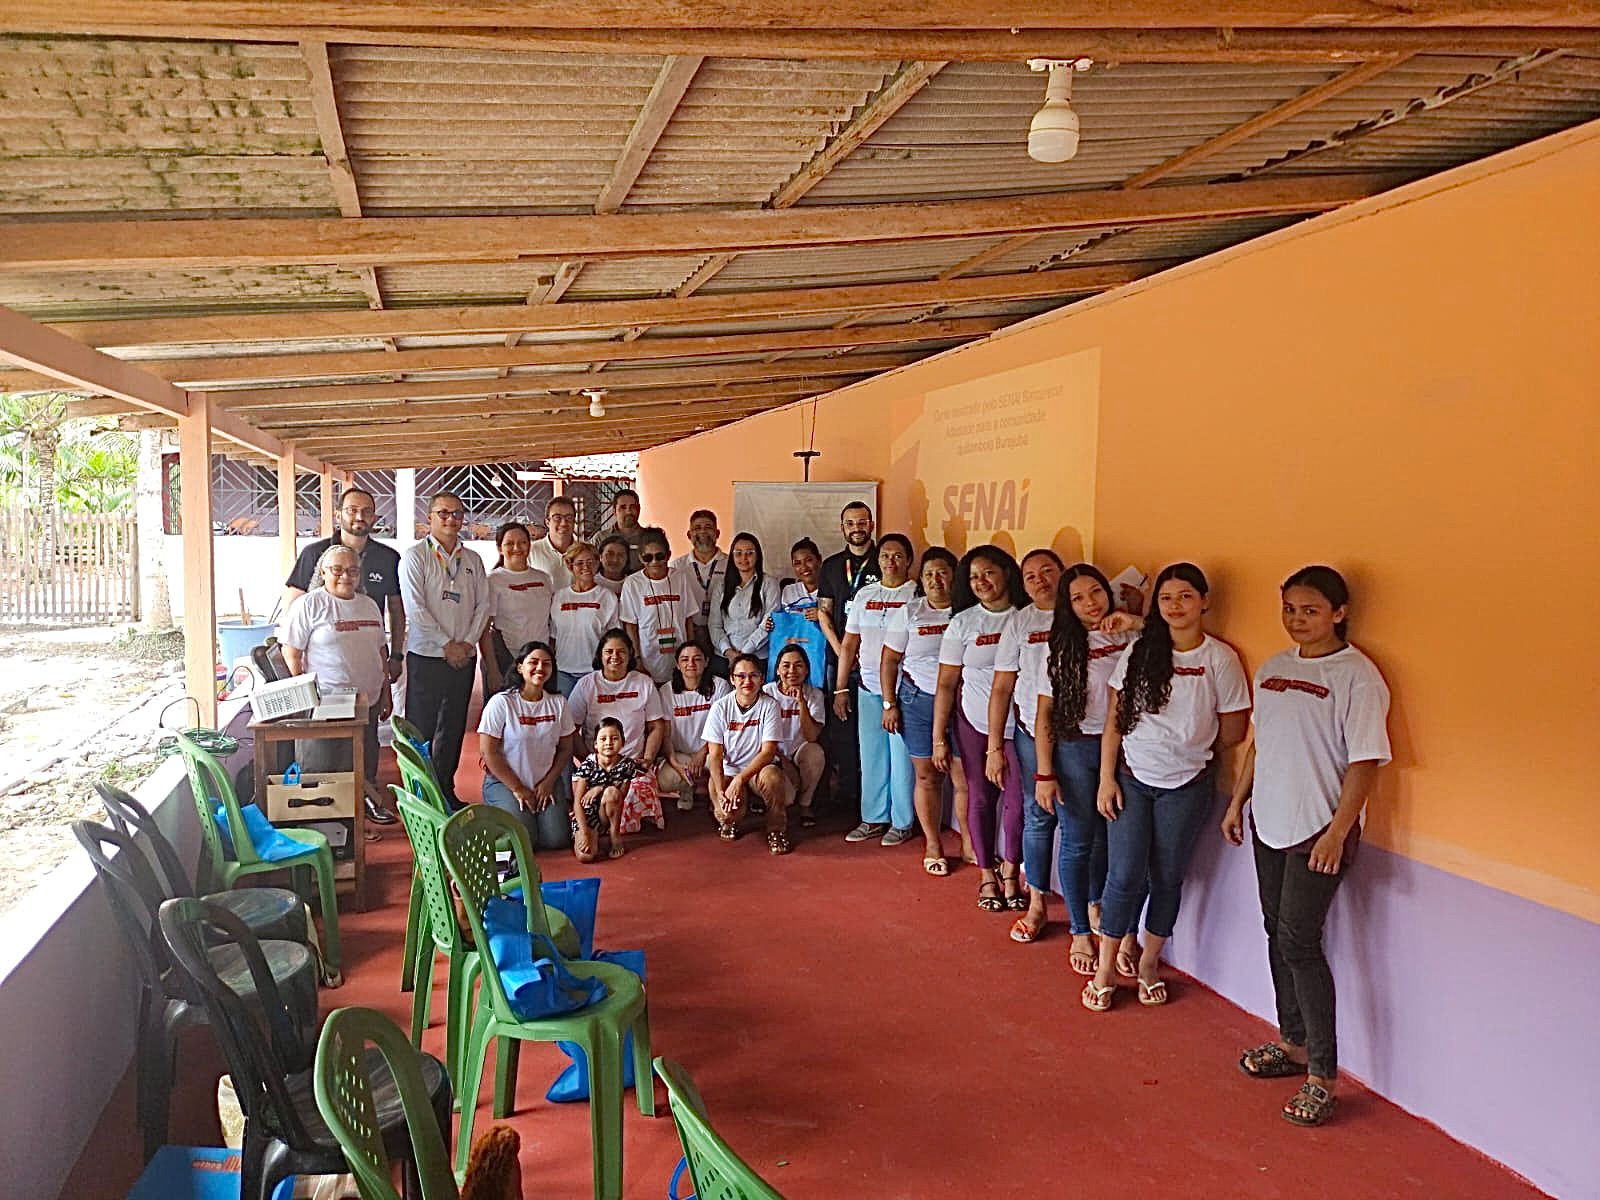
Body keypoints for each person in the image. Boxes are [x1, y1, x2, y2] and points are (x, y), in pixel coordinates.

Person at [1222, 566, 1390, 1128]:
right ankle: (1291, 1042)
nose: (1298, 619)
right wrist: (1236, 802)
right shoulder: (1273, 670)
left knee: (1299, 940)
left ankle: (1322, 1074)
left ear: (1338, 613)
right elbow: (1258, 746)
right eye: (1290, 609)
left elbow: (1365, 762)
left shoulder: (1357, 677)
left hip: (1320, 831)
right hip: (1268, 822)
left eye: (1311, 610)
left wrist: (1337, 834)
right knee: (1277, 931)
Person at [1083, 562, 1251, 1013]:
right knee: (1124, 875)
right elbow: (1115, 719)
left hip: (1188, 784)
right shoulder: (1140, 650)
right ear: (1156, 606)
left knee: (1167, 877)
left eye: (1185, 597)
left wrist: (1187, 745)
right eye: (1166, 598)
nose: (1175, 606)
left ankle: (1149, 964)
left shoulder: (1220, 659)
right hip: (1132, 779)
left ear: (1204, 602)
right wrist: (1106, 779)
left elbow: (1233, 730)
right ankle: (1104, 971)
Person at [1036, 564, 1145, 978]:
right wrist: (1045, 772)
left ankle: (1104, 908)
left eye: (1095, 592)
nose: (1090, 603)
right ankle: (1080, 929)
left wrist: (1135, 620)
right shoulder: (1062, 645)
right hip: (1078, 749)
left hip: (1128, 748)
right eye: (1078, 598)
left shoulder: (1128, 632)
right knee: (1079, 841)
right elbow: (1045, 711)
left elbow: (1177, 634)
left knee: (1111, 839)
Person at [282, 485, 405, 824]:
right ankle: (320, 831)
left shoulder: (368, 603)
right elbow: (291, 650)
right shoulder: (311, 599)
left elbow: (380, 644)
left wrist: (385, 687)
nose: (345, 575)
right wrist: (303, 694)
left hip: (363, 700)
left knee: (363, 762)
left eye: (352, 571)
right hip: (323, 703)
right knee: (322, 767)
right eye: (337, 570)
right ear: (322, 572)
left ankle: (358, 822)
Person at [933, 545, 1027, 913]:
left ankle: (1011, 874)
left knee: (1018, 803)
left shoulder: (1026, 618)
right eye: (973, 577)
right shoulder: (963, 623)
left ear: (1006, 572)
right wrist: (940, 738)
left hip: (1020, 727)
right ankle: (987, 873)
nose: (981, 582)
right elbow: (945, 684)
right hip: (973, 723)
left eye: (988, 573)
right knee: (981, 797)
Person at [985, 549, 1064, 942]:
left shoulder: (1085, 612)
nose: (1040, 581)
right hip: (1032, 736)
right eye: (1031, 576)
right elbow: (1002, 687)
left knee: (1082, 825)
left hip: (1082, 738)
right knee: (1038, 817)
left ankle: (1090, 908)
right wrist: (995, 747)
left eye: (1048, 572)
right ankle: (1037, 904)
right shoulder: (1020, 622)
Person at [399, 491, 490, 808]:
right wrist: (446, 644)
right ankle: (420, 795)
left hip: (464, 656)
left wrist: (465, 644)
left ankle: (445, 790)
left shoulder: (473, 559)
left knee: (453, 728)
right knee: (421, 728)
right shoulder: (415, 557)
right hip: (427, 655)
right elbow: (415, 608)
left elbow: (483, 607)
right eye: (443, 513)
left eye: (457, 513)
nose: (451, 519)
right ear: (429, 518)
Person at [882, 546, 967, 876]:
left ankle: (970, 844)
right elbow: (889, 660)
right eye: (930, 573)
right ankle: (933, 844)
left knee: (963, 777)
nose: (936, 580)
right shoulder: (910, 611)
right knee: (926, 776)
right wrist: (890, 704)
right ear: (921, 578)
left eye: (943, 572)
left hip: (962, 705)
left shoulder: (966, 611)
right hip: (917, 702)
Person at [836, 534, 916, 845]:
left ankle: (902, 821)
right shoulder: (864, 595)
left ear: (908, 560)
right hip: (868, 686)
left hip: (904, 691)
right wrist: (841, 689)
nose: (891, 561)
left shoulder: (916, 595)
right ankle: (873, 818)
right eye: (885, 556)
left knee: (902, 758)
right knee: (871, 756)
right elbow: (848, 644)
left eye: (898, 556)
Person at [477, 640, 575, 851]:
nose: (540, 668)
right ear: (520, 667)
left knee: (556, 840)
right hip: (505, 783)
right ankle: (500, 810)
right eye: (534, 662)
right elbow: (488, 751)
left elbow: (567, 747)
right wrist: (518, 788)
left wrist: (549, 781)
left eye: (547, 664)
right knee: (524, 841)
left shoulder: (558, 703)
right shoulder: (501, 702)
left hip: (544, 783)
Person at [817, 501, 880, 816]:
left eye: (862, 522)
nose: (857, 528)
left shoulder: (883, 562)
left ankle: (873, 798)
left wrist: (858, 654)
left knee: (874, 732)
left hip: (874, 661)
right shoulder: (830, 566)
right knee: (842, 728)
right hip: (838, 657)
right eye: (850, 523)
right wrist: (843, 651)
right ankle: (848, 797)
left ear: (871, 524)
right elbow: (823, 612)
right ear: (842, 528)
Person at [704, 654, 793, 854]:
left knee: (772, 777)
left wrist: (740, 780)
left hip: (757, 770)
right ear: (732, 679)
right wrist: (720, 791)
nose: (747, 681)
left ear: (762, 679)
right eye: (741, 676)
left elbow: (768, 752)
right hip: (728, 770)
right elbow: (715, 755)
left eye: (753, 675)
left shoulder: (769, 705)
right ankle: (727, 819)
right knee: (727, 813)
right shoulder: (720, 708)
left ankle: (776, 829)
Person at [620, 527, 703, 686]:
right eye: (648, 557)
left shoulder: (680, 578)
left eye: (660, 556)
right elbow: (630, 625)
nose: (654, 562)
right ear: (640, 558)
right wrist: (636, 659)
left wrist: (691, 651)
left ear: (668, 555)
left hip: (680, 660)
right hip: (648, 659)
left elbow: (688, 619)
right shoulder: (632, 583)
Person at [479, 521, 554, 694]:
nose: (517, 548)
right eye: (509, 543)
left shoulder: (543, 579)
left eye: (522, 542)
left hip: (539, 661)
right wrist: (492, 669)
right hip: (506, 659)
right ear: (499, 548)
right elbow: (484, 629)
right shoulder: (493, 580)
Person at [657, 642, 731, 812]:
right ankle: (686, 789)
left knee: (726, 768)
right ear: (677, 664)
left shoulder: (720, 686)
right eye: (685, 659)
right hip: (680, 753)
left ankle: (716, 796)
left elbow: (723, 730)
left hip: (712, 750)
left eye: (697, 659)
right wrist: (674, 762)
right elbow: (666, 734)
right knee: (666, 780)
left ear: (706, 662)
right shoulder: (666, 691)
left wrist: (701, 753)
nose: (691, 664)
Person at [763, 644, 827, 827]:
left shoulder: (814, 694)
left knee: (815, 753)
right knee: (787, 797)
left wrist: (801, 702)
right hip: (773, 752)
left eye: (798, 665)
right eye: (786, 665)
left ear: (806, 670)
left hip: (799, 749)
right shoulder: (766, 693)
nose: (792, 671)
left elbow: (812, 736)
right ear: (777, 669)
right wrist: (784, 761)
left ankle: (805, 804)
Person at [550, 541, 618, 697]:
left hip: (595, 672)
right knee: (565, 718)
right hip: (563, 671)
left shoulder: (607, 597)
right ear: (570, 565)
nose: (586, 567)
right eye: (579, 563)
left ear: (597, 563)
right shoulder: (559, 597)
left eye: (590, 562)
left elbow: (613, 638)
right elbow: (553, 636)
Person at [709, 532, 780, 678]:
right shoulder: (721, 586)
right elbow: (714, 625)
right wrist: (730, 653)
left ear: (758, 555)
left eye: (749, 553)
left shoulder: (769, 584)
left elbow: (768, 623)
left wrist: (744, 653)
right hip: (724, 658)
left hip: (757, 657)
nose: (744, 558)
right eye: (738, 553)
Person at [571, 717, 641, 861]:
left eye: (614, 738)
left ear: (622, 742)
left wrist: (600, 788)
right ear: (595, 744)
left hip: (607, 814)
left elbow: (620, 798)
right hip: (587, 816)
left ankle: (614, 835)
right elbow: (577, 803)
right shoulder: (588, 766)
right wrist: (584, 832)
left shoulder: (627, 766)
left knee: (612, 793)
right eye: (603, 739)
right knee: (586, 856)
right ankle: (591, 834)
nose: (609, 743)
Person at [671, 509, 727, 640]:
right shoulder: (676, 567)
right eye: (697, 528)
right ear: (689, 535)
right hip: (689, 631)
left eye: (708, 527)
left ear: (717, 533)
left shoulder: (731, 564)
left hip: (723, 633)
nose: (702, 532)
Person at [526, 495, 578, 583]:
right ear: (547, 522)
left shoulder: (583, 551)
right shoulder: (531, 551)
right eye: (557, 518)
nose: (563, 523)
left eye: (569, 518)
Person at [610, 488, 646, 570]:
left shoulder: (649, 537)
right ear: (614, 511)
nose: (628, 512)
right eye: (623, 507)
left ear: (639, 509)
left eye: (632, 507)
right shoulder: (601, 538)